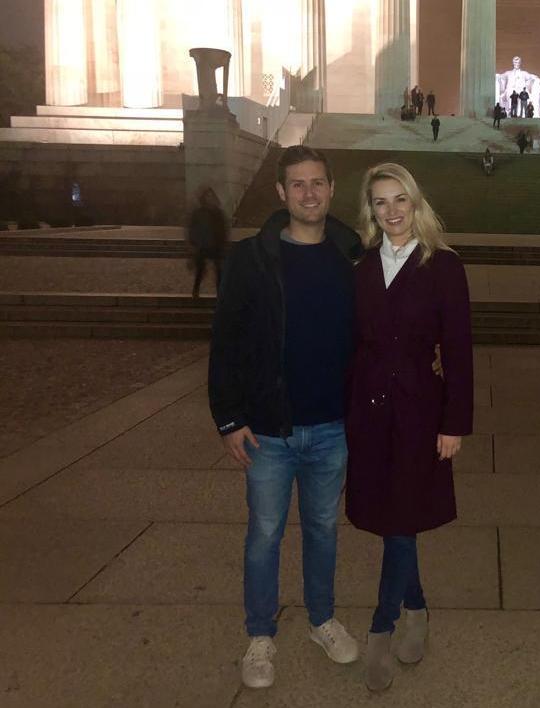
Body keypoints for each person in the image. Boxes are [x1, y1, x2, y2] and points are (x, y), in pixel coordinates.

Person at [208, 145, 362, 689]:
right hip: (269, 429)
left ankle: (322, 620)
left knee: (323, 530)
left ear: (332, 189)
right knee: (265, 534)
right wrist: (228, 418)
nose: (309, 193)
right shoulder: (251, 257)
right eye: (298, 184)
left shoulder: (351, 255)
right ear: (281, 192)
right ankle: (260, 635)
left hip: (332, 426)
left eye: (317, 183)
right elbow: (225, 340)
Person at [346, 162, 474, 692]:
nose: (392, 210)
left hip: (421, 411)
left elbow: (459, 350)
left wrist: (454, 422)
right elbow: (352, 345)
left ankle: (382, 628)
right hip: (370, 412)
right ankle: (417, 607)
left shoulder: (443, 265)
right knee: (394, 518)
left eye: (400, 199)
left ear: (415, 203)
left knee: (400, 519)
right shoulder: (361, 267)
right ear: (370, 210)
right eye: (381, 201)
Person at [186, 186, 227, 298]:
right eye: (207, 196)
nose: (209, 198)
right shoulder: (198, 213)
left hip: (215, 245)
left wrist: (223, 243)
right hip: (202, 245)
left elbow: (222, 229)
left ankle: (220, 292)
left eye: (211, 196)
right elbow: (192, 228)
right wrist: (193, 243)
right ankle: (196, 290)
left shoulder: (218, 213)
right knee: (200, 269)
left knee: (219, 271)